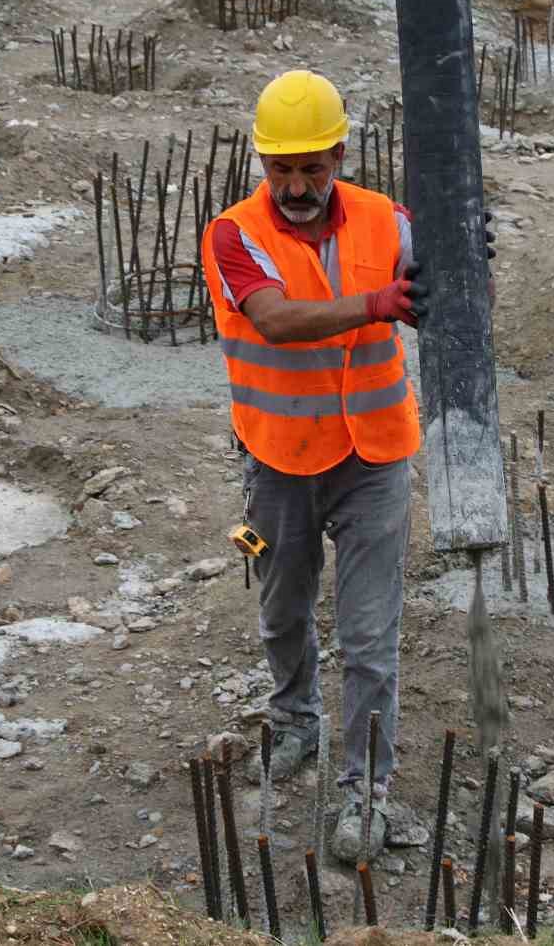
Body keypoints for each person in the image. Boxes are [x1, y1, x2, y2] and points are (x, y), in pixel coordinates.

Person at [200, 69, 427, 864]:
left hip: (375, 458)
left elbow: (456, 294)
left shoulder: (386, 221)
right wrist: (378, 306)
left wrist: (465, 262)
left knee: (370, 637)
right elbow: (274, 319)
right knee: (283, 610)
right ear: (262, 164)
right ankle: (295, 719)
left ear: (338, 154)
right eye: (280, 170)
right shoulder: (234, 233)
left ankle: (366, 791)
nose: (295, 186)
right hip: (279, 461)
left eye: (311, 169)